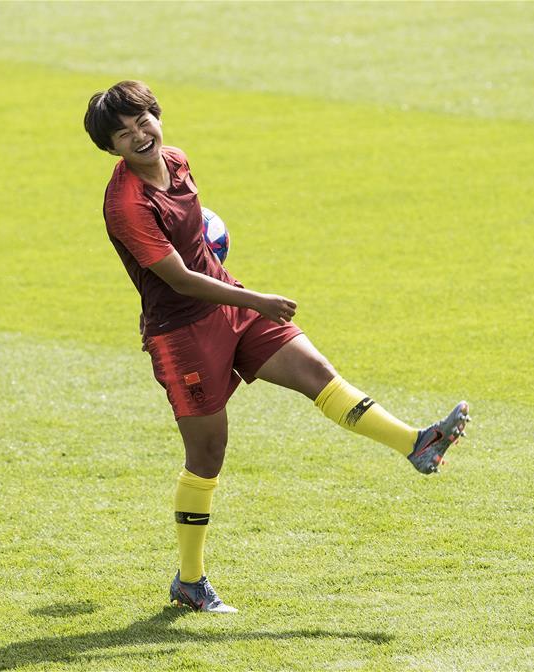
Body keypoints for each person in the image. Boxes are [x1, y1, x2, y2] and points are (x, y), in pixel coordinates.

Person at [83, 81, 469, 614]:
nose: (139, 135)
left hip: (231, 304)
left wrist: (236, 286)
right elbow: (179, 279)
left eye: (142, 120)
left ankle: (416, 444)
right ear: (112, 149)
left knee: (316, 373)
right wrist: (258, 300)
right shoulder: (127, 204)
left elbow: (194, 242)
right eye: (124, 134)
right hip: (181, 334)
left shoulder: (177, 161)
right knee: (207, 454)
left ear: (156, 114)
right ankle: (190, 581)